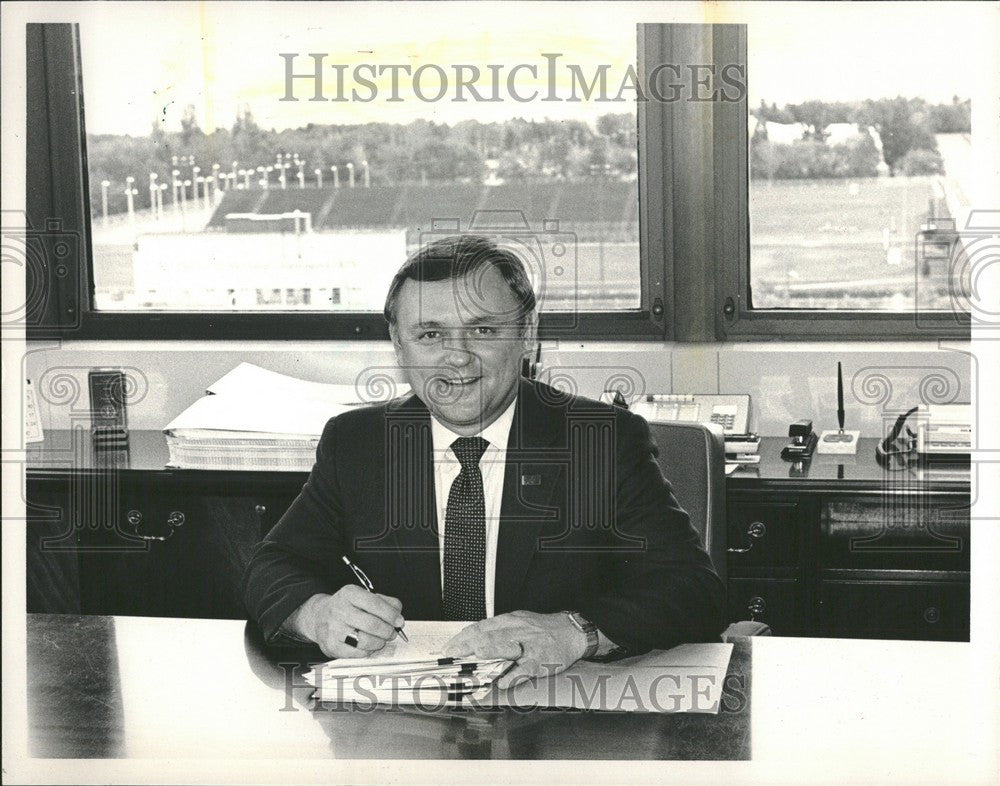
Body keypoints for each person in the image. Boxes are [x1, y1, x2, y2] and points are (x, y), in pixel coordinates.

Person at [242, 235, 725, 688]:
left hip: (556, 715)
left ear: (527, 335)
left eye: (483, 329)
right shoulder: (358, 443)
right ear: (398, 344)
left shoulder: (600, 441)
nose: (457, 357)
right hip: (407, 724)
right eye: (430, 334)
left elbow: (695, 590)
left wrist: (577, 632)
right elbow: (274, 565)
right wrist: (317, 613)